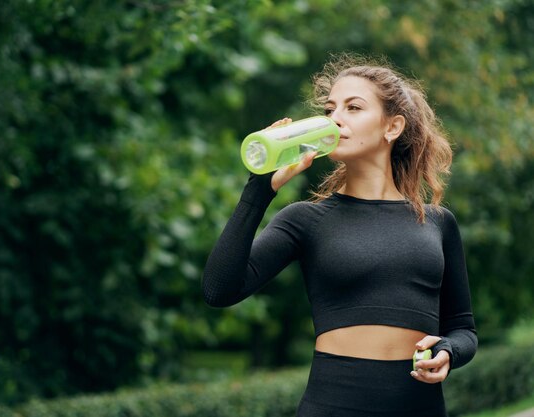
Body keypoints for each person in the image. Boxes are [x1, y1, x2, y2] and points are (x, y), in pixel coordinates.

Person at [201, 53, 477, 417]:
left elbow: (463, 329)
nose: (335, 119)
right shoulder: (306, 220)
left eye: (353, 108)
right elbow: (219, 290)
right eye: (330, 109)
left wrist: (448, 351)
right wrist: (259, 188)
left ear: (392, 127)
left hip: (420, 408)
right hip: (333, 405)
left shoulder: (438, 223)